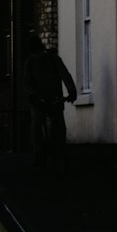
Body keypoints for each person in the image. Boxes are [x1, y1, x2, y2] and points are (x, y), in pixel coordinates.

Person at [23, 32, 77, 168]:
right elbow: (27, 83)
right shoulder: (30, 62)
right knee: (37, 123)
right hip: (39, 100)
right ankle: (38, 151)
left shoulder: (52, 58)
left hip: (54, 99)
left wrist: (71, 90)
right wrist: (32, 96)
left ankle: (59, 152)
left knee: (59, 126)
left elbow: (64, 74)